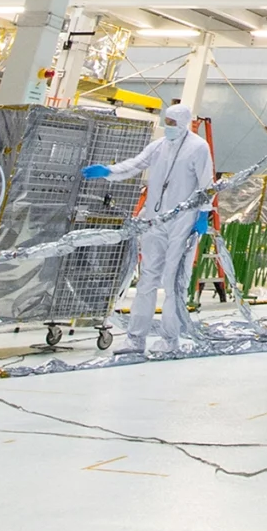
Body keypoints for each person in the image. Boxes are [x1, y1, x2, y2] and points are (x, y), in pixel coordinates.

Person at [84, 102, 213, 355]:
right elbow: (136, 164)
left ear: (184, 123)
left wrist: (203, 214)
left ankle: (170, 339)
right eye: (167, 122)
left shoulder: (198, 147)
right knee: (147, 279)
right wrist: (109, 171)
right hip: (155, 220)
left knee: (175, 281)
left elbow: (206, 183)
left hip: (183, 222)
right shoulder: (159, 146)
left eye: (173, 123)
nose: (169, 127)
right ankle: (135, 338)